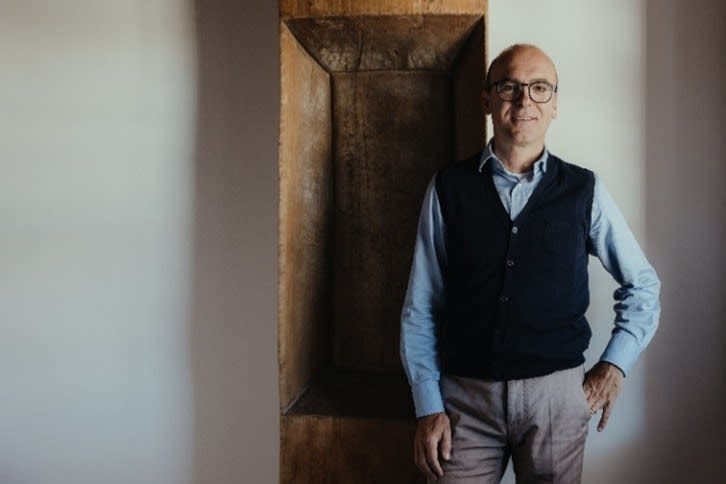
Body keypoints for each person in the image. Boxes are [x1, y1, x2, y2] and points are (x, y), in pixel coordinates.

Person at [399, 44, 661, 483]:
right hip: (464, 399)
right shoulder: (448, 188)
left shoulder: (584, 190)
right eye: (510, 86)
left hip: (557, 399)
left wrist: (613, 366)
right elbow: (420, 305)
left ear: (555, 104)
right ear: (487, 99)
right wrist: (428, 405)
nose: (525, 100)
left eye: (540, 88)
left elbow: (643, 285)